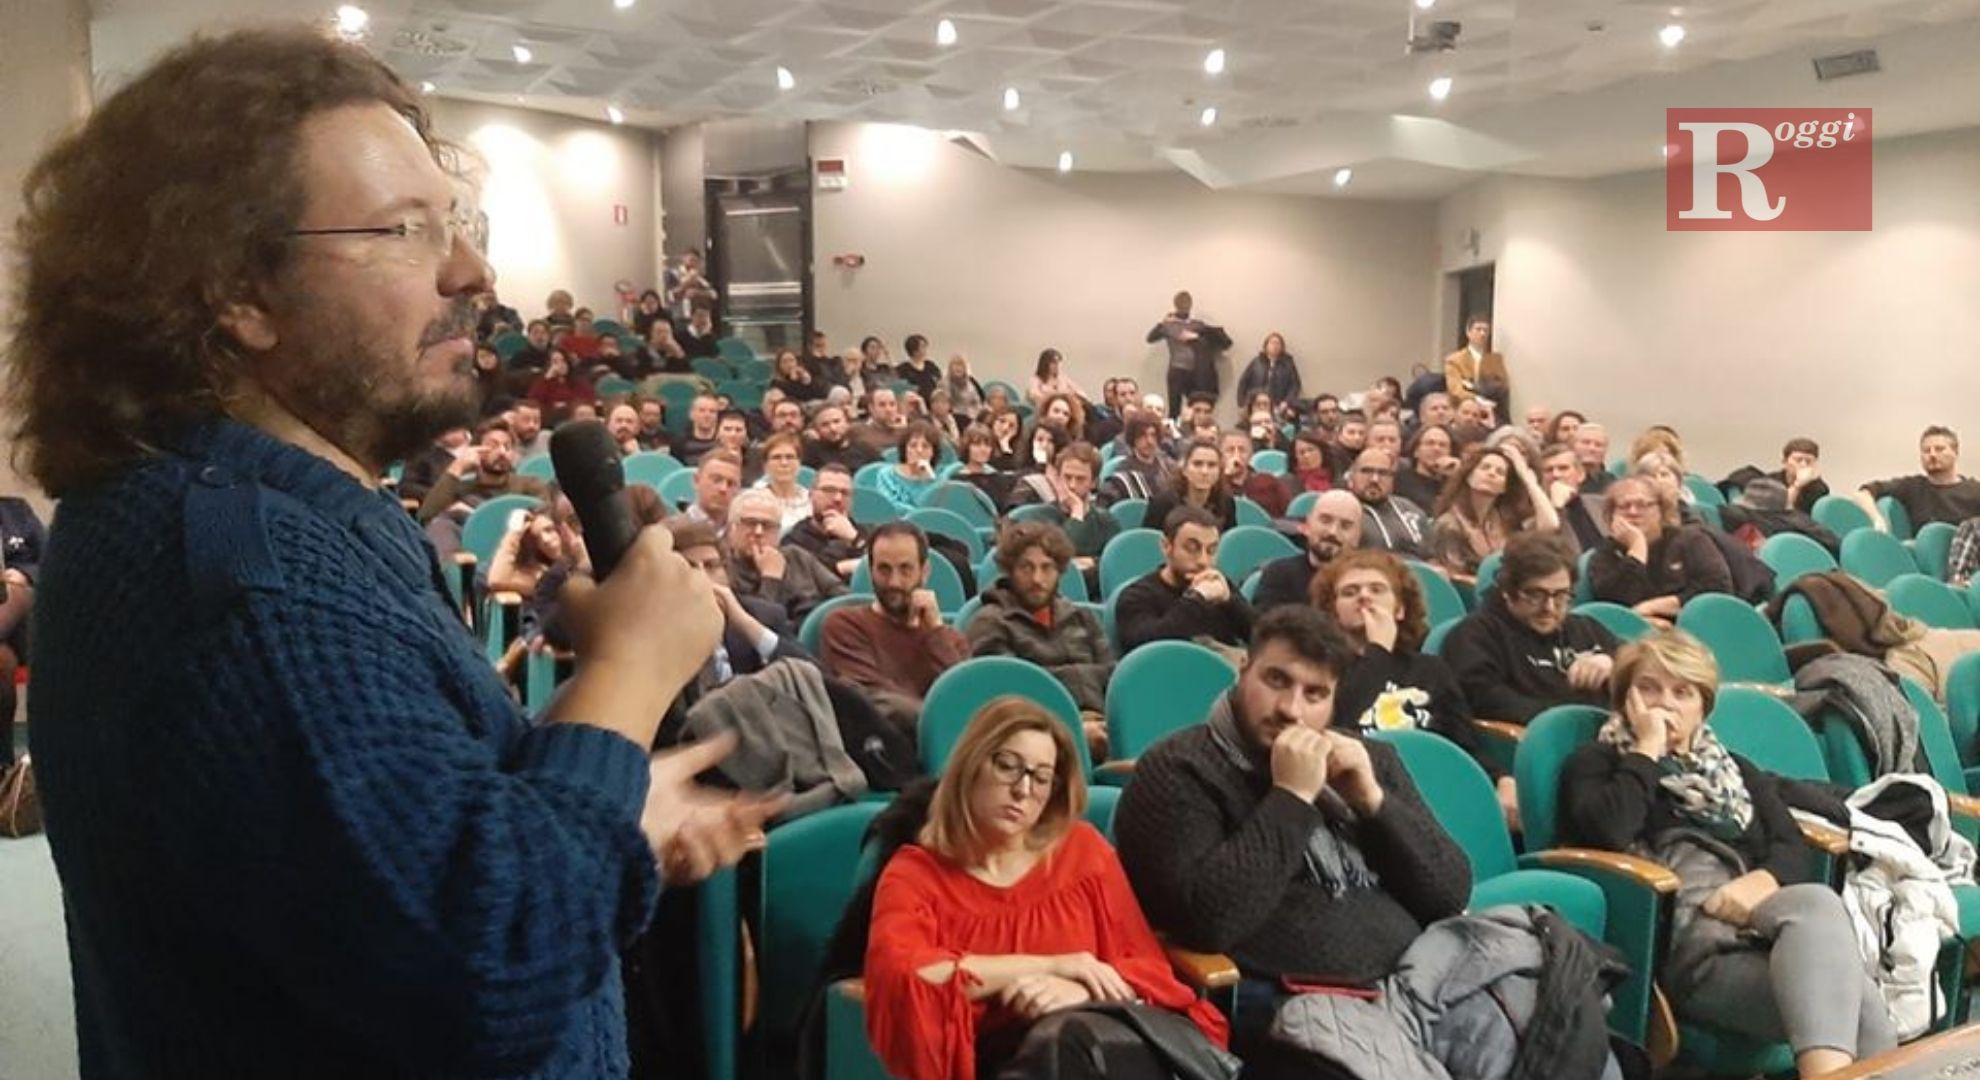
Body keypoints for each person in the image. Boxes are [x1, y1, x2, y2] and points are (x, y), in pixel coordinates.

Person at [13, 28, 783, 1078]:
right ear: (238, 292)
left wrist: (607, 795)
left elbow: (378, 844)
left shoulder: (262, 522)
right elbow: (487, 965)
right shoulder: (248, 581)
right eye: (405, 230)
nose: (472, 270)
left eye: (455, 223)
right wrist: (632, 671)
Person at [1113, 607, 1472, 1064]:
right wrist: (1292, 797)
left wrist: (1373, 802)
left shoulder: (1368, 760)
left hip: (1421, 986)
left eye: (1315, 693)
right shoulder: (1179, 769)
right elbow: (1208, 922)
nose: (1291, 709)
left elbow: (1449, 892)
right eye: (1276, 680)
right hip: (1297, 1006)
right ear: (1244, 670)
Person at [1559, 631, 1896, 1077]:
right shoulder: (1597, 763)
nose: (1665, 704)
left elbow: (1791, 844)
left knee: (1823, 916)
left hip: (1752, 933)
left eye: (1682, 692)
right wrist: (1647, 750)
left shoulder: (1734, 771)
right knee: (1858, 1006)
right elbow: (1609, 829)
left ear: (1703, 706)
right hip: (1683, 952)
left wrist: (1761, 881)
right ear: (1626, 699)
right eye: (1649, 688)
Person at [863, 698, 1229, 1080]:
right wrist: (1054, 965)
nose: (1023, 790)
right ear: (971, 765)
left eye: (1041, 778)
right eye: (1008, 766)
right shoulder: (914, 875)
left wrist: (1081, 991)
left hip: (1100, 1042)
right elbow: (908, 977)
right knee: (1065, 1045)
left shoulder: (1083, 852)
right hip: (1000, 1061)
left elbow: (1144, 968)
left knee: (1073, 1039)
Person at [1311, 550, 1510, 820]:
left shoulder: (1430, 670)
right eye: (1349, 592)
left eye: (1377, 589)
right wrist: (1378, 651)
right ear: (1333, 613)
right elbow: (1339, 723)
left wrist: (1501, 779)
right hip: (1359, 800)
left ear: (1400, 609)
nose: (1364, 596)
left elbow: (1462, 745)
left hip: (1433, 791)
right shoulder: (1322, 672)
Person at [967, 524, 1117, 758]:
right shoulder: (990, 622)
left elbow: (1112, 676)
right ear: (1010, 570)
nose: (1037, 579)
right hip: (1034, 737)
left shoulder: (1082, 617)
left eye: (1047, 568)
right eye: (1026, 567)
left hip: (1102, 726)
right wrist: (1074, 728)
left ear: (1060, 571)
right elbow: (1012, 696)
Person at [1443, 531, 1619, 724]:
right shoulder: (1475, 635)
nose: (1549, 608)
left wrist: (1612, 662)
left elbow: (1637, 662)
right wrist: (1564, 720)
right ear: (1507, 591)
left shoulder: (1585, 629)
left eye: (1560, 595)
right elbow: (1485, 700)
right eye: (1536, 595)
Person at [820, 523, 972, 722]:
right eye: (884, 569)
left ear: (924, 572)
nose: (894, 582)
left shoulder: (951, 640)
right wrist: (938, 723)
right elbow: (874, 701)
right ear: (870, 571)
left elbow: (966, 699)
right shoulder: (845, 625)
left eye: (905, 569)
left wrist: (936, 632)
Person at [1587, 477, 1733, 628]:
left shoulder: (1690, 540)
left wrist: (1653, 607)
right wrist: (1637, 549)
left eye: (1642, 505)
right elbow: (1614, 602)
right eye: (1624, 506)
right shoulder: (1605, 553)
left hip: (1692, 626)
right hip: (1630, 631)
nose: (1633, 512)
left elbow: (1718, 587)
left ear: (1661, 511)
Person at [1115, 507, 1254, 655]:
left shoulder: (1218, 587)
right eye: (1192, 548)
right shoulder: (1137, 596)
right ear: (1166, 546)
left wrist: (1231, 602)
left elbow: (1261, 638)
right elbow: (1147, 650)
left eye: (1211, 550)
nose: (1203, 561)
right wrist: (1196, 598)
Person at [1426, 444, 1560, 585]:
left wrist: (1526, 477)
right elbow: (1453, 578)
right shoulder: (1449, 524)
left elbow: (1550, 524)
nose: (1491, 473)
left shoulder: (1506, 519)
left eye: (1500, 472)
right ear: (1469, 476)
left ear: (1504, 487)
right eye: (1485, 468)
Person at [722, 489, 847, 625]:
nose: (759, 532)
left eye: (768, 526)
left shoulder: (796, 556)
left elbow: (843, 598)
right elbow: (756, 629)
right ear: (731, 528)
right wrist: (771, 579)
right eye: (750, 523)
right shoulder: (723, 569)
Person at [1253, 490, 1361, 612]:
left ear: (1358, 536)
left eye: (1346, 526)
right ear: (1308, 525)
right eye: (1325, 520)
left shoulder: (1366, 585)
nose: (1333, 532)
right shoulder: (1279, 575)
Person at [1027, 442, 1119, 584]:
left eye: (1080, 479)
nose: (1072, 485)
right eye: (1067, 477)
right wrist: (1077, 512)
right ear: (1058, 478)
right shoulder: (1039, 517)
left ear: (1094, 483)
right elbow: (1058, 561)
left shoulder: (1106, 521)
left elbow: (1114, 564)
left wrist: (1092, 562)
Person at [1857, 425, 1980, 530]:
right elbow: (1863, 493)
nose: (1932, 454)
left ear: (1955, 452)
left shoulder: (1975, 491)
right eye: (1926, 450)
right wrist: (1876, 519)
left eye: (1939, 449)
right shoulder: (1912, 487)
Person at [1147, 290, 1233, 410]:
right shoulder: (1168, 325)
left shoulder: (1197, 325)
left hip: (1197, 371)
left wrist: (1197, 337)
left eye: (1186, 303)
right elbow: (1150, 338)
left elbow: (1225, 343)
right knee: (1174, 407)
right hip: (1177, 369)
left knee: (1197, 405)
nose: (1184, 306)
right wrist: (1162, 322)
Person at [784, 463, 868, 580]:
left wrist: (854, 538)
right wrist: (840, 568)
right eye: (829, 490)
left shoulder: (868, 534)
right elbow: (805, 580)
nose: (838, 498)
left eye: (845, 493)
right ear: (811, 495)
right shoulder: (794, 541)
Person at [1143, 439, 1238, 535]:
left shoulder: (1226, 503)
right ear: (1184, 470)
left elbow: (1229, 541)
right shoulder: (1162, 503)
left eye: (1211, 465)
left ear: (1219, 472)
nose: (1204, 471)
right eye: (1197, 464)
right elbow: (1148, 540)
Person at [1350, 448, 1431, 559]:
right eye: (1366, 471)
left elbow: (1432, 557)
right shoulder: (1341, 510)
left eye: (1383, 473)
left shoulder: (1411, 510)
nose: (1374, 479)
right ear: (1352, 475)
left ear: (1393, 479)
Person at [1539, 442, 1608, 550]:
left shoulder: (1602, 505)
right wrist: (1556, 508)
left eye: (1563, 468)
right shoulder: (1537, 519)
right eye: (1548, 470)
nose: (1556, 475)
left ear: (1580, 475)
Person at [1098, 414, 1174, 505]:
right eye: (1142, 435)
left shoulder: (1169, 467)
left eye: (1153, 435)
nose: (1149, 441)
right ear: (1133, 438)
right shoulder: (1123, 474)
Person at [1444, 315, 1510, 411]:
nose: (1482, 334)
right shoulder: (1454, 360)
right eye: (1478, 329)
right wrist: (1476, 398)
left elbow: (1503, 385)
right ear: (1468, 332)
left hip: (1492, 407)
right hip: (1463, 408)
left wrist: (1471, 386)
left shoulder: (1496, 359)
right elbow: (1456, 389)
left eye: (1486, 330)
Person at [1218, 431, 1290, 519]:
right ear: (1219, 455)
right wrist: (1226, 476)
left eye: (1242, 450)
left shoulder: (1268, 481)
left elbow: (1289, 513)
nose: (1236, 455)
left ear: (1251, 454)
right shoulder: (1215, 484)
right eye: (1230, 450)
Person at [876, 421, 943, 515]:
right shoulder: (886, 474)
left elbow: (936, 512)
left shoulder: (938, 480)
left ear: (933, 452)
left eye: (925, 446)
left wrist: (929, 481)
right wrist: (917, 513)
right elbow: (889, 505)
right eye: (913, 445)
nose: (919, 450)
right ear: (904, 449)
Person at [751, 431, 812, 533]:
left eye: (790, 457)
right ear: (765, 466)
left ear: (799, 463)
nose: (784, 463)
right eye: (776, 457)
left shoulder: (811, 500)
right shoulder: (752, 499)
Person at [1235, 332, 1301, 420]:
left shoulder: (1288, 364)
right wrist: (1241, 404)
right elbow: (1243, 382)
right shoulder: (1256, 362)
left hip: (1278, 407)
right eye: (1272, 343)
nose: (1275, 346)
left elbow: (1295, 385)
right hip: (1255, 406)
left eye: (1278, 343)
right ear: (1266, 346)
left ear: (1282, 347)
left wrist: (1286, 402)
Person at [681, 449, 744, 533]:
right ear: (696, 481)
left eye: (731, 483)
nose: (723, 488)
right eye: (716, 480)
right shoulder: (671, 532)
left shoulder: (740, 535)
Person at [523, 347, 592, 425]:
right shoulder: (543, 382)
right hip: (551, 421)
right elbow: (532, 402)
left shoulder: (579, 382)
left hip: (574, 419)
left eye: (563, 361)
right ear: (549, 365)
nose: (560, 365)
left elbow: (587, 401)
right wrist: (547, 378)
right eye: (555, 362)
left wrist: (567, 406)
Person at [1394, 423, 1454, 509]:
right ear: (1416, 451)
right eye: (1430, 443)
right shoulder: (1399, 482)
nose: (1436, 449)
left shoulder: (1454, 485)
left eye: (1443, 445)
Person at [802, 402, 876, 472]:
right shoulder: (810, 454)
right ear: (817, 430)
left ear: (847, 423)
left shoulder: (865, 449)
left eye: (836, 421)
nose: (833, 428)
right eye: (825, 425)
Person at [674, 393, 722, 467]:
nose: (707, 415)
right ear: (691, 414)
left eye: (712, 411)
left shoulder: (723, 441)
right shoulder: (679, 443)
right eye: (702, 411)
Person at [944, 354, 984, 421]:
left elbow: (980, 400)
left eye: (960, 365)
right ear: (950, 368)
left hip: (974, 417)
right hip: (953, 418)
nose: (958, 368)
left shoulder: (971, 381)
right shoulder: (945, 383)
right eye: (955, 364)